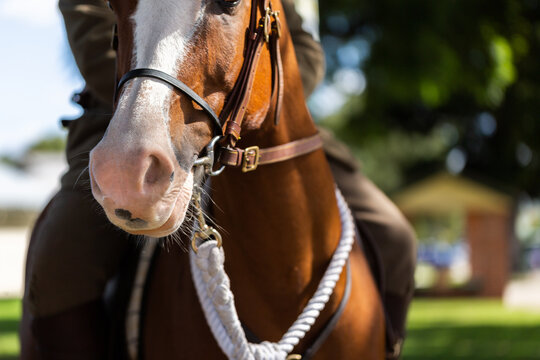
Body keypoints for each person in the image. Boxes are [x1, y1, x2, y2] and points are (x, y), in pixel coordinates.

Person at [20, 0, 416, 359]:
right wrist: (158, 100)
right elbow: (94, 40)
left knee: (394, 235)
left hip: (263, 111)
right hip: (121, 116)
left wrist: (244, 102)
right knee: (59, 257)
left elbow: (306, 52)